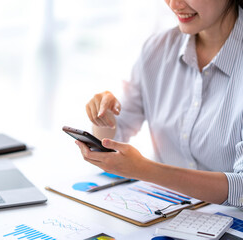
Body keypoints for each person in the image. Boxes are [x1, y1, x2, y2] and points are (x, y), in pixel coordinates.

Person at [76, 0, 243, 209]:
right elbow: (113, 139)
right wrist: (102, 117)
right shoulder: (157, 49)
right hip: (169, 214)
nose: (174, 4)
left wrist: (146, 170)